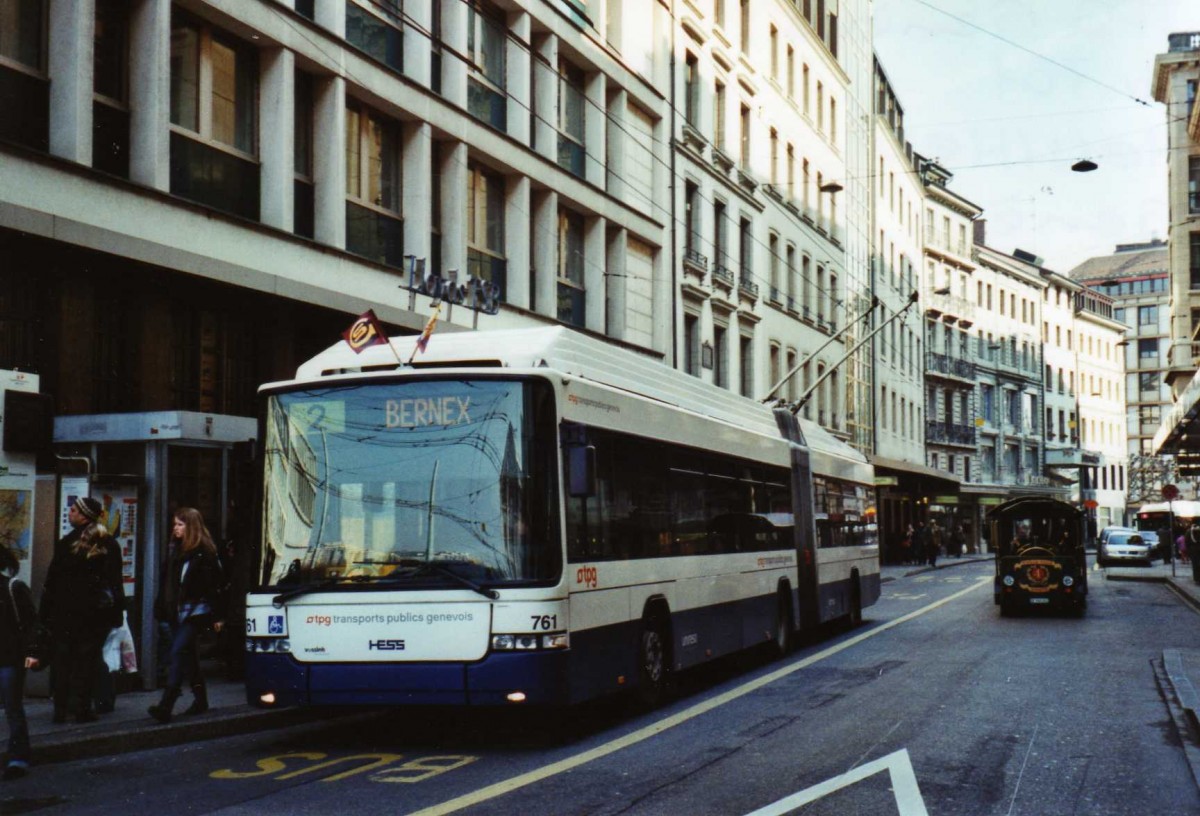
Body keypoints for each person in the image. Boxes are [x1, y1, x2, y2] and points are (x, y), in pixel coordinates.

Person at [40, 496, 124, 724]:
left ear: (85, 516)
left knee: (63, 661)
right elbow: (114, 583)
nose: (70, 512)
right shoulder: (108, 544)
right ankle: (82, 709)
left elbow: (52, 581)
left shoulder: (66, 543)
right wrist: (117, 613)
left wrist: (45, 613)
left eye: (75, 510)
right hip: (93, 615)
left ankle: (60, 710)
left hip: (65, 614)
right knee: (86, 663)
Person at [149, 508, 226, 724]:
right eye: (174, 524)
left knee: (178, 650)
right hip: (177, 611)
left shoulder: (205, 552)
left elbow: (215, 587)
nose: (175, 528)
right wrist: (160, 607)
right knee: (189, 657)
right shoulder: (176, 551)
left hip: (197, 611)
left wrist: (219, 616)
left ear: (191, 527)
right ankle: (201, 701)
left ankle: (167, 704)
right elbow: (167, 584)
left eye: (180, 525)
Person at [0, 546, 40, 779]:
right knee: (13, 707)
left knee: (13, 707)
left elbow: (32, 623)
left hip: (9, 658)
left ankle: (18, 757)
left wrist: (33, 652)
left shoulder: (13, 587)